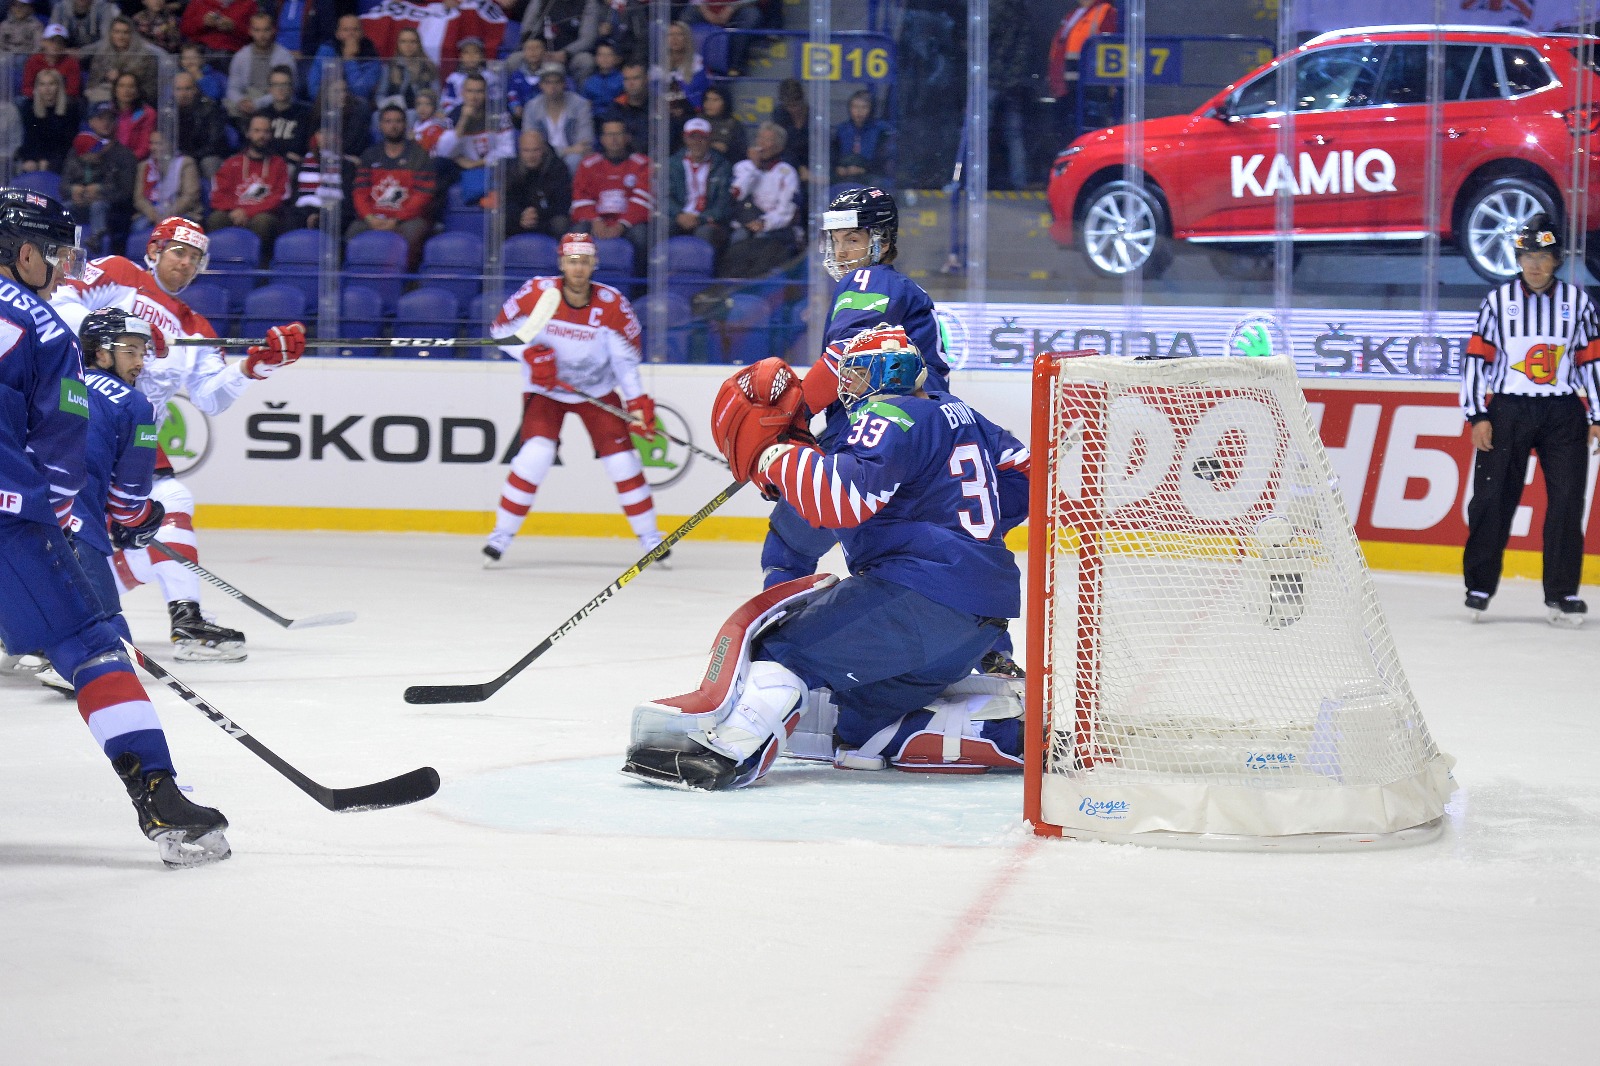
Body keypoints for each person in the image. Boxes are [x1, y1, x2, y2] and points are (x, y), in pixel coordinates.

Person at [621, 327, 1030, 791]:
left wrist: (777, 455)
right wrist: (953, 522)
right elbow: (1025, 479)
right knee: (861, 726)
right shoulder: (964, 415)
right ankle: (1006, 734)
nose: (848, 390)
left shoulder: (887, 413)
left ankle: (729, 753)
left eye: (855, 376)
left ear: (887, 372)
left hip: (917, 598)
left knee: (782, 650)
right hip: (983, 619)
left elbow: (840, 498)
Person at [0, 189, 230, 866]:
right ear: (26, 251)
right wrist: (106, 518)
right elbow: (63, 447)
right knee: (93, 644)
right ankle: (160, 798)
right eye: (57, 252)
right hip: (10, 518)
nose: (65, 266)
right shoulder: (43, 328)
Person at [52, 216, 308, 661]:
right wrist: (119, 325)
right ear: (153, 251)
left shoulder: (196, 327)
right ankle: (50, 615)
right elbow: (60, 301)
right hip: (80, 419)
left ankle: (178, 618)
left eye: (194, 258)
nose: (186, 264)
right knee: (80, 530)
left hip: (134, 436)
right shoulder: (119, 274)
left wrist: (255, 368)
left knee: (168, 509)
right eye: (178, 252)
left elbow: (211, 397)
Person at [482, 232, 666, 565]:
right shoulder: (537, 293)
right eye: (571, 262)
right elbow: (499, 332)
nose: (578, 269)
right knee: (535, 456)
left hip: (595, 391)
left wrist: (637, 401)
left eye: (584, 262)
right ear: (561, 263)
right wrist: (530, 354)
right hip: (546, 390)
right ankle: (500, 536)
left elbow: (625, 360)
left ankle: (651, 538)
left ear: (595, 263)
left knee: (623, 462)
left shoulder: (611, 304)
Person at [1461, 213, 1600, 626]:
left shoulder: (1578, 303)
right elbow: (1475, 360)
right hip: (1508, 410)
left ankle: (1561, 595)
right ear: (1518, 259)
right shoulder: (1496, 303)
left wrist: (1597, 414)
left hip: (1563, 412)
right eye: (1527, 255)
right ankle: (1478, 586)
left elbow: (1591, 362)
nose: (1535, 264)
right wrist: (1477, 415)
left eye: (1543, 255)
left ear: (1556, 259)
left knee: (1566, 502)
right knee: (1491, 499)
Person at [69, 309, 163, 653]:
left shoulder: (55, 379)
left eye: (142, 352)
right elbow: (127, 502)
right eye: (130, 351)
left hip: (16, 507)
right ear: (102, 353)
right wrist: (143, 520)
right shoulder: (135, 404)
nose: (139, 362)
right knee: (109, 644)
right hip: (71, 523)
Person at [349, 105, 437, 270]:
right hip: (373, 217)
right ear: (380, 126)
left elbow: (423, 195)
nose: (393, 126)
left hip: (408, 219)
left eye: (398, 121)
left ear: (405, 125)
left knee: (411, 234)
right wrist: (369, 218)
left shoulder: (419, 155)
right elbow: (360, 192)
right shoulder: (370, 155)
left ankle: (405, 283)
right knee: (352, 233)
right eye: (388, 121)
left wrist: (396, 219)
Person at [722, 120, 798, 278]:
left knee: (762, 240)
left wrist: (764, 223)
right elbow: (737, 195)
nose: (761, 144)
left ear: (779, 147)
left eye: (768, 140)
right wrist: (754, 168)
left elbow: (786, 210)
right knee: (738, 237)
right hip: (745, 223)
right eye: (759, 139)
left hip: (774, 228)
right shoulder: (743, 167)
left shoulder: (787, 172)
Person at [570, 117, 651, 261]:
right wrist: (595, 220)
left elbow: (642, 201)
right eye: (609, 135)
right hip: (596, 222)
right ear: (602, 139)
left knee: (642, 236)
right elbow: (580, 199)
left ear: (627, 137)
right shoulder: (588, 165)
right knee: (577, 233)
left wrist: (621, 224)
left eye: (618, 134)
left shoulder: (642, 164)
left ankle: (640, 283)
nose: (614, 139)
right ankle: (575, 281)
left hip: (628, 224)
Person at [63, 102, 137, 254]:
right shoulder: (77, 151)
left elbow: (126, 193)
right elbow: (63, 185)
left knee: (100, 207)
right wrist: (73, 190)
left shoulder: (125, 155)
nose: (106, 123)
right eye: (100, 118)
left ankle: (97, 239)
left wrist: (100, 193)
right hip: (82, 206)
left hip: (113, 213)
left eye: (110, 118)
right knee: (64, 209)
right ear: (91, 122)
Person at [206, 115, 289, 251]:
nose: (262, 135)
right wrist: (234, 211)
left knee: (262, 222)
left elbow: (279, 197)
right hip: (233, 212)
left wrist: (247, 212)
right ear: (248, 133)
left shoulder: (278, 164)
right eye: (257, 131)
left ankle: (260, 266)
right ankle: (217, 263)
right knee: (216, 218)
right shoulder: (232, 163)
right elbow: (217, 194)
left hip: (263, 214)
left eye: (266, 131)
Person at [436, 72, 514, 208]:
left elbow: (508, 149)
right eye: (470, 91)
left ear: (486, 93)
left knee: (513, 165)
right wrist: (463, 120)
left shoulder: (498, 113)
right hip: (462, 166)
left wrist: (479, 163)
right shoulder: (452, 116)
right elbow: (443, 152)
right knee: (438, 165)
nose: (474, 96)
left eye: (479, 91)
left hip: (491, 165)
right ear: (462, 93)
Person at [1048, 0, 1118, 149]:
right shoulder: (1074, 14)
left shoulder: (1106, 13)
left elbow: (1111, 54)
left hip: (1088, 93)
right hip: (1065, 91)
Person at [667, 117, 731, 253]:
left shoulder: (722, 165)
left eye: (702, 138)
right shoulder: (672, 164)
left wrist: (700, 219)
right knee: (660, 229)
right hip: (679, 216)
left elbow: (723, 203)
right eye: (692, 137)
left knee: (706, 233)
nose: (697, 142)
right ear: (685, 139)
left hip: (707, 219)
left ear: (709, 140)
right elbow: (664, 196)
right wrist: (679, 215)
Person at [522, 61, 594, 171]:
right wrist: (567, 150)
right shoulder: (532, 107)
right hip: (543, 157)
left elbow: (585, 142)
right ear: (541, 85)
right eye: (548, 83)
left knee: (573, 160)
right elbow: (530, 141)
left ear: (564, 84)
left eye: (557, 82)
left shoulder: (580, 104)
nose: (552, 87)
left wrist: (570, 152)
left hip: (573, 158)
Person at [226, 11, 295, 122]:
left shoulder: (285, 57)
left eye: (266, 30)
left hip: (273, 103)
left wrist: (256, 104)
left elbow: (287, 90)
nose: (262, 35)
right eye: (257, 30)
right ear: (250, 31)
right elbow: (232, 88)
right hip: (246, 101)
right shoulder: (241, 56)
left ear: (273, 30)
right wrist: (241, 101)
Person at [504, 128, 572, 238]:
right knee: (498, 221)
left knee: (561, 223)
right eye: (526, 150)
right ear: (519, 151)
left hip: (547, 218)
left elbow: (562, 204)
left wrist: (536, 214)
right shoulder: (511, 169)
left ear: (543, 149)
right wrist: (521, 215)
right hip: (520, 219)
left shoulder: (558, 168)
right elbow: (508, 201)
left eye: (535, 150)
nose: (531, 156)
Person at [307, 13, 382, 108]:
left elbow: (361, 92)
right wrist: (333, 98)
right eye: (346, 30)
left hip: (356, 107)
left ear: (362, 33)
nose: (351, 34)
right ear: (337, 34)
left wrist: (349, 59)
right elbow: (313, 88)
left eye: (355, 29)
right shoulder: (326, 50)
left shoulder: (371, 56)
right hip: (326, 103)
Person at [16, 68, 81, 175]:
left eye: (51, 84)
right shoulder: (29, 107)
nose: (47, 89)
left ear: (58, 87)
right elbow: (29, 139)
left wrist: (48, 162)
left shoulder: (70, 108)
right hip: (37, 157)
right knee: (28, 167)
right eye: (42, 84)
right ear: (37, 88)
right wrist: (32, 159)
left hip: (62, 157)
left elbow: (69, 143)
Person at [83, 15, 159, 106]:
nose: (121, 36)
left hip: (137, 100)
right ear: (111, 34)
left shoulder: (145, 56)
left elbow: (151, 89)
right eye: (117, 32)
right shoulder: (102, 54)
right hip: (104, 98)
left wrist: (120, 78)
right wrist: (106, 77)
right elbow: (93, 84)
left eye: (125, 32)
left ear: (132, 35)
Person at [520, 0, 601, 82]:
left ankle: (576, 92)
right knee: (512, 61)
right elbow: (527, 29)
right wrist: (538, 50)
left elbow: (587, 38)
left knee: (586, 61)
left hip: (570, 55)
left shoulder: (588, 3)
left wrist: (566, 53)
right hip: (540, 51)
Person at [134, 130, 202, 226]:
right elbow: (139, 198)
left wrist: (167, 214)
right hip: (150, 214)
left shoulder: (185, 163)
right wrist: (152, 213)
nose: (153, 148)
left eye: (158, 144)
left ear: (170, 144)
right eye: (151, 143)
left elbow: (190, 197)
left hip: (181, 212)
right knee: (139, 226)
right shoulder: (144, 166)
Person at [174, 70, 231, 181]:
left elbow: (214, 143)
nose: (183, 94)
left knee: (209, 163)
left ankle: (216, 197)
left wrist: (191, 156)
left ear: (195, 89)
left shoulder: (210, 108)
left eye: (187, 89)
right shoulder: (168, 110)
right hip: (179, 156)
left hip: (205, 155)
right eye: (178, 89)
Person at [376, 26, 441, 113]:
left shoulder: (429, 67)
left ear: (419, 44)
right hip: (396, 113)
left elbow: (437, 95)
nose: (408, 45)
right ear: (398, 44)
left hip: (424, 112)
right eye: (403, 41)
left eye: (413, 42)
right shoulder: (389, 67)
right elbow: (380, 95)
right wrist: (388, 106)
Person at [261, 65, 313, 170]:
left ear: (292, 87)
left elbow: (299, 146)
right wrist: (285, 152)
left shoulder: (304, 114)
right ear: (269, 89)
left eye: (284, 84)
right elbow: (258, 143)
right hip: (264, 163)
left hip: (291, 166)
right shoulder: (262, 114)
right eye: (276, 84)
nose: (280, 89)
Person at [23, 24, 84, 99]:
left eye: (60, 42)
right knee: (21, 101)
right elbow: (26, 88)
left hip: (63, 100)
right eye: (52, 41)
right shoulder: (33, 60)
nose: (55, 45)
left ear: (64, 45)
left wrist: (53, 96)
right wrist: (43, 95)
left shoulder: (71, 62)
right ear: (43, 42)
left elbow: (73, 90)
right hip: (38, 99)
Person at [111, 71, 157, 163]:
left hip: (135, 162)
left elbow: (144, 148)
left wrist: (126, 161)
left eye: (131, 86)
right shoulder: (107, 111)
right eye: (122, 86)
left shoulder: (147, 113)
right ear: (115, 90)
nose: (126, 90)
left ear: (138, 91)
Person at [179, 0, 253, 56]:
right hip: (200, 51)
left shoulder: (248, 4)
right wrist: (203, 22)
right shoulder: (198, 2)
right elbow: (184, 29)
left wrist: (234, 28)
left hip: (232, 53)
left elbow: (256, 35)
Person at [699, 84, 746, 166]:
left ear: (725, 102)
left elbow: (741, 153)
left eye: (715, 100)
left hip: (724, 166)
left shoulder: (733, 124)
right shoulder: (696, 122)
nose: (709, 104)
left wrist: (727, 149)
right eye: (707, 99)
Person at [579, 40, 623, 116]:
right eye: (601, 55)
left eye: (609, 55)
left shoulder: (622, 79)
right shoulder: (589, 82)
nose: (605, 58)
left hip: (617, 116)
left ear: (615, 58)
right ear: (596, 58)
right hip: (594, 118)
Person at [49, 0, 113, 50]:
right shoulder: (60, 8)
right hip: (65, 54)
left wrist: (83, 52)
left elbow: (106, 39)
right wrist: (64, 50)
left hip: (95, 55)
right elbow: (51, 38)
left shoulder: (103, 8)